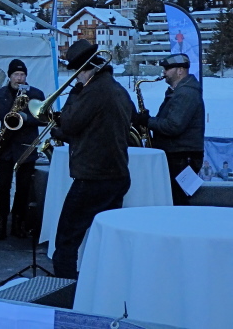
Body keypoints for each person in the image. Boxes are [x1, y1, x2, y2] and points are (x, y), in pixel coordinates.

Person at [50, 40, 133, 279]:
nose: (76, 79)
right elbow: (97, 129)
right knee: (108, 238)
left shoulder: (93, 91)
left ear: (85, 71)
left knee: (66, 239)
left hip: (93, 177)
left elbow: (69, 122)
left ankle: (65, 290)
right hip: (117, 174)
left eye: (77, 74)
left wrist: (74, 95)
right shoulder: (118, 89)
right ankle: (106, 285)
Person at [0, 59, 45, 240]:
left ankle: (18, 223)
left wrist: (26, 118)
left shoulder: (36, 94)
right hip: (5, 147)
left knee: (23, 188)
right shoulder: (0, 94)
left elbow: (44, 119)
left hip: (26, 148)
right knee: (3, 186)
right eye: (16, 74)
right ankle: (1, 224)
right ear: (9, 76)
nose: (19, 78)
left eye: (22, 75)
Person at [134, 53, 205, 205]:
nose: (164, 72)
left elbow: (173, 126)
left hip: (181, 157)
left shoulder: (186, 93)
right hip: (178, 155)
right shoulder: (178, 92)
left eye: (167, 69)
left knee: (177, 201)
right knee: (174, 199)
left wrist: (147, 121)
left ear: (180, 70)